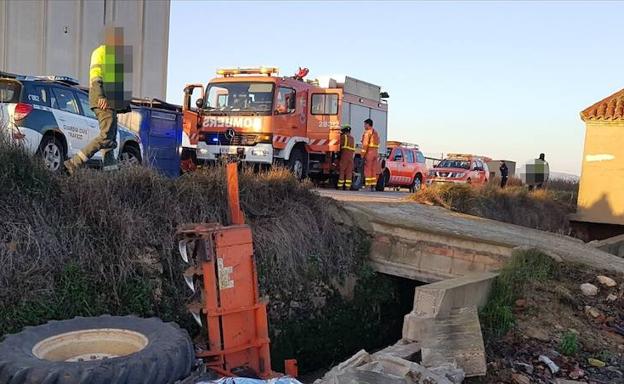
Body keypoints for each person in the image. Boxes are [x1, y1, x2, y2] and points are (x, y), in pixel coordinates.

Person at [64, 26, 129, 174]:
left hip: (110, 102)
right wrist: (101, 96)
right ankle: (74, 163)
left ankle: (110, 173)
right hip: (103, 100)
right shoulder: (101, 52)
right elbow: (96, 76)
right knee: (106, 137)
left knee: (110, 140)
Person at [360, 118, 380, 190]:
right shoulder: (375, 132)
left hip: (369, 153)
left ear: (368, 124)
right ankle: (373, 186)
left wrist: (362, 155)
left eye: (365, 124)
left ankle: (367, 186)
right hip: (375, 152)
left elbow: (365, 145)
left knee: (367, 169)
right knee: (373, 169)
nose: (364, 126)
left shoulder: (368, 132)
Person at [337, 125, 355, 190]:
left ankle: (340, 186)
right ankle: (347, 187)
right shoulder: (352, 138)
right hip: (351, 157)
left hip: (344, 156)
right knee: (349, 172)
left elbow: (339, 146)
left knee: (342, 171)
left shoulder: (343, 137)